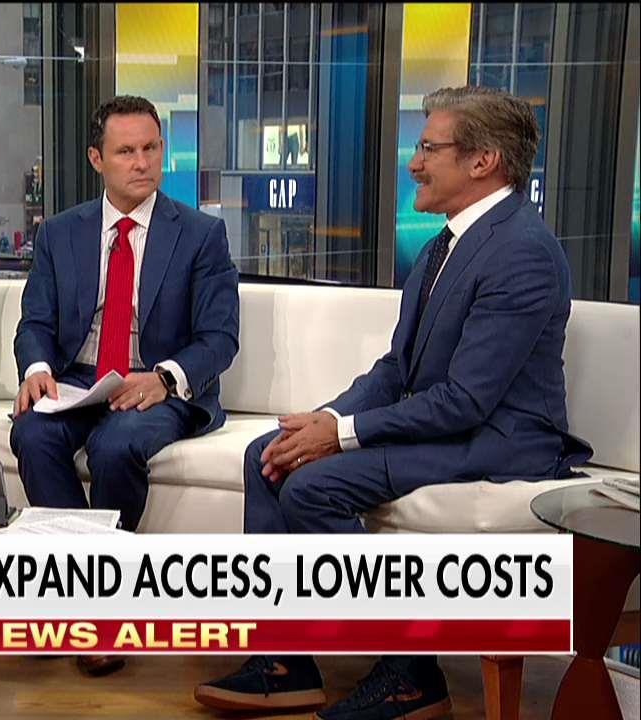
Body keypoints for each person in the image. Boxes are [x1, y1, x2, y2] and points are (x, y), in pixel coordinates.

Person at [196, 86, 593, 720]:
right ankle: (285, 661)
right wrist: (326, 419)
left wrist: (341, 436)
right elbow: (395, 370)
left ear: (483, 160)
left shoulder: (522, 252)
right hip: (453, 425)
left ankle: (412, 676)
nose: (414, 162)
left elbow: (466, 401)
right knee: (268, 456)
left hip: (504, 439)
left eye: (429, 148)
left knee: (314, 487)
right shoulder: (442, 246)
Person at [9, 95, 239, 677]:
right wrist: (37, 371)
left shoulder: (201, 235)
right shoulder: (61, 233)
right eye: (126, 151)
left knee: (116, 445)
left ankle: (87, 607)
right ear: (97, 159)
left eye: (151, 148)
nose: (142, 162)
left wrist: (164, 378)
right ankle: (92, 599)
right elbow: (35, 323)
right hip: (79, 380)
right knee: (32, 433)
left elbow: (219, 339)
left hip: (157, 385)